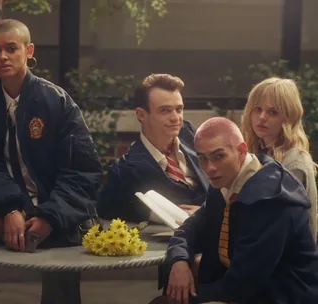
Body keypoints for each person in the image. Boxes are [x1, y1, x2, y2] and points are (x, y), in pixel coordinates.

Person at [0, 19, 102, 297]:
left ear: (29, 51)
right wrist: (10, 207)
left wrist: (50, 216)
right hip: (13, 200)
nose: (2, 56)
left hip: (55, 212)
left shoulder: (56, 102)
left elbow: (83, 172)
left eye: (11, 48)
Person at [159, 117, 318, 304]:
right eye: (202, 158)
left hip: (284, 296)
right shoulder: (225, 184)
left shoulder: (271, 199)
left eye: (219, 156)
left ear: (242, 151)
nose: (210, 168)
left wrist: (187, 295)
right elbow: (188, 230)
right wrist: (179, 261)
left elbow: (243, 284)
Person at [97, 74, 208, 223]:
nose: (176, 117)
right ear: (141, 115)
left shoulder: (189, 134)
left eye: (179, 109)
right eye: (165, 111)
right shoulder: (124, 172)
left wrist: (207, 211)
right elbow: (105, 212)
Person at [242, 77, 317, 239]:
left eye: (272, 112)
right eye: (257, 109)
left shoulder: (294, 161)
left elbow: (276, 226)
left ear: (288, 117)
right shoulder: (260, 153)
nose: (262, 117)